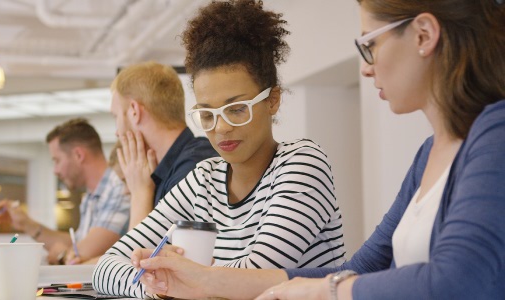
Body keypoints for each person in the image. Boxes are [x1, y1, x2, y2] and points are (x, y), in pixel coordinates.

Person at [131, 0, 505, 299]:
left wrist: (327, 291)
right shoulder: (428, 153)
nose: (365, 68)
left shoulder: (495, 134)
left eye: (369, 44)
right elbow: (364, 265)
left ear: (423, 34)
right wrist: (201, 280)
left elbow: (457, 281)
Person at [92, 1, 346, 297]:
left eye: (237, 109)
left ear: (272, 100)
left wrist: (181, 279)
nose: (220, 128)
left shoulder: (302, 164)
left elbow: (256, 277)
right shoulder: (204, 178)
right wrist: (159, 289)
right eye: (207, 114)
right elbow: (106, 265)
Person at [0, 118, 131, 265]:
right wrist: (26, 224)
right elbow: (78, 243)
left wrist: (62, 254)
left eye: (57, 160)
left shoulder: (119, 188)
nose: (55, 170)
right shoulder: (91, 197)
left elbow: (81, 253)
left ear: (79, 155)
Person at [110, 61, 218, 227]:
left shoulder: (194, 168)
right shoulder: (164, 171)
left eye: (116, 117)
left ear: (134, 111)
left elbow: (139, 252)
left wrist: (139, 194)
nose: (117, 132)